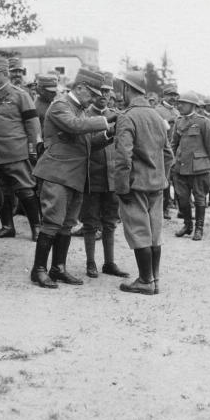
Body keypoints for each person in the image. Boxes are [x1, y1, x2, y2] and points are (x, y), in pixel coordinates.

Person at [29, 69, 114, 288]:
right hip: (57, 174)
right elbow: (75, 127)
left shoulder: (80, 110)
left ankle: (58, 268)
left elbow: (87, 142)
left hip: (74, 176)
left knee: (66, 224)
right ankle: (38, 269)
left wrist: (108, 134)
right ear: (79, 88)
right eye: (92, 94)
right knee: (52, 222)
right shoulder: (60, 106)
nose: (95, 99)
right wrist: (105, 120)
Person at [113, 71, 174, 296]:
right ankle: (154, 279)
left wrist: (121, 187)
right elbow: (168, 154)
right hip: (156, 185)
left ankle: (145, 281)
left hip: (135, 185)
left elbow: (123, 157)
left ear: (127, 89)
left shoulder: (127, 116)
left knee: (139, 231)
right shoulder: (158, 116)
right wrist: (161, 176)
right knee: (154, 232)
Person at [0, 58, 43, 240]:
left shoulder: (20, 95)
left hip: (15, 152)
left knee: (25, 189)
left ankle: (36, 227)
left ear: (5, 74)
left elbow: (33, 124)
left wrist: (33, 148)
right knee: (1, 191)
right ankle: (7, 226)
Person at [78, 76, 128, 277]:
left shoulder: (116, 115)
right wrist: (108, 133)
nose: (104, 96)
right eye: (100, 92)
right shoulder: (85, 117)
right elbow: (87, 144)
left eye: (108, 92)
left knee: (110, 222)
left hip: (112, 178)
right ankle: (91, 263)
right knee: (90, 223)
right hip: (92, 177)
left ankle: (109, 263)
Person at [172, 92, 210, 240]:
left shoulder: (204, 122)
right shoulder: (178, 121)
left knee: (199, 199)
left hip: (199, 168)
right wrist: (173, 162)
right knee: (182, 199)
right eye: (179, 103)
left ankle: (199, 228)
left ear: (193, 105)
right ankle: (187, 225)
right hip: (180, 167)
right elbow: (174, 144)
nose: (180, 105)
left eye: (183, 103)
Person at [155, 84, 180, 219]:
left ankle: (181, 207)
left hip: (176, 150)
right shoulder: (157, 111)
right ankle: (163, 208)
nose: (173, 98)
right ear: (164, 95)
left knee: (178, 180)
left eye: (175, 95)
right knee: (164, 180)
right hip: (163, 150)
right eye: (170, 95)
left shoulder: (177, 112)